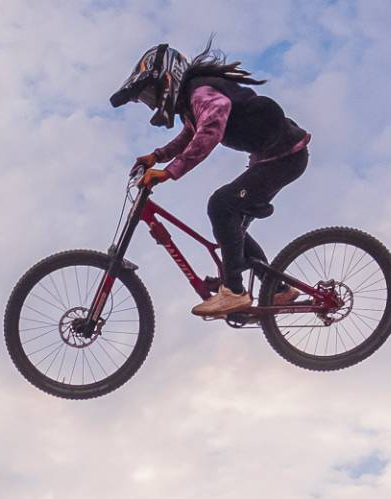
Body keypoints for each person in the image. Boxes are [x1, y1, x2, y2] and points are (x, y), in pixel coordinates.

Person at [108, 41, 311, 318]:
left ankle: (234, 293)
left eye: (149, 94)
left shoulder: (202, 92)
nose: (151, 103)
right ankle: (278, 290)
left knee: (221, 205)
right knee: (233, 227)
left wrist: (170, 171)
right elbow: (191, 133)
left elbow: (210, 129)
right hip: (274, 159)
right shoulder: (194, 101)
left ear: (168, 79)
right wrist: (156, 157)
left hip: (286, 157)